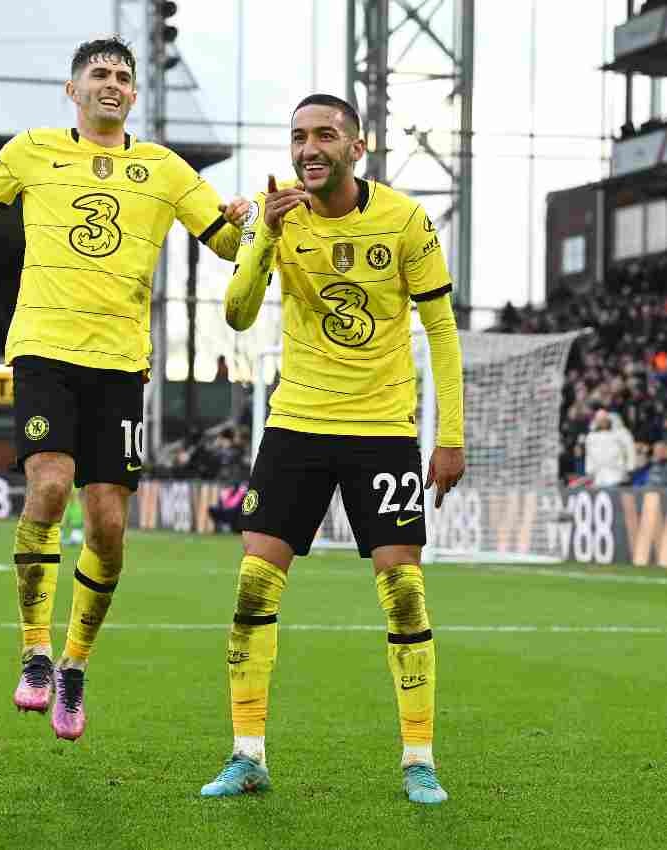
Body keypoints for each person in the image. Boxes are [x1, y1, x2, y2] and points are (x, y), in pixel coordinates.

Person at [0, 36, 248, 742]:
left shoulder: (163, 168)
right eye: (99, 73)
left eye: (123, 76)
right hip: (43, 347)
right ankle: (35, 652)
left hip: (121, 365)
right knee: (48, 486)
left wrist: (254, 226)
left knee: (107, 526)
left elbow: (222, 241)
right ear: (74, 91)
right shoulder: (33, 149)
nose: (113, 82)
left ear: (133, 95)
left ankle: (74, 665)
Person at [200, 94, 464, 804]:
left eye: (324, 135)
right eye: (297, 137)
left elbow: (441, 330)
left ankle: (419, 759)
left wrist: (450, 435)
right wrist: (262, 238)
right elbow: (236, 313)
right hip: (297, 423)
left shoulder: (406, 220)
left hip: (382, 429)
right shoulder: (279, 218)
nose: (308, 148)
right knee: (254, 585)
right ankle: (246, 753)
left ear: (356, 146)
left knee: (404, 592)